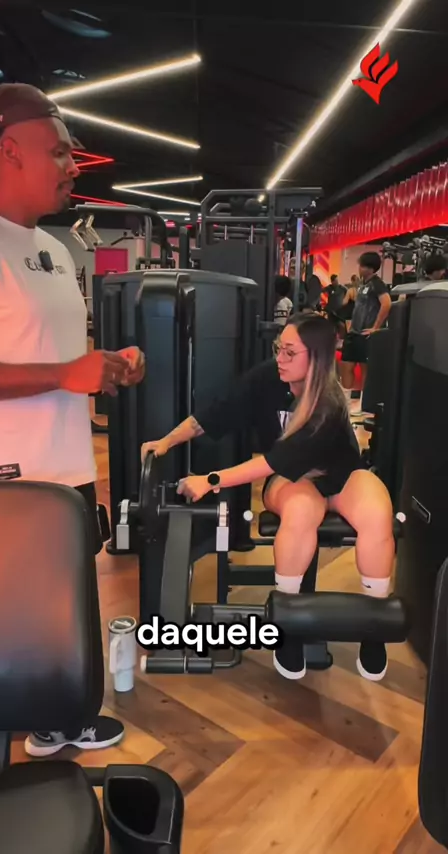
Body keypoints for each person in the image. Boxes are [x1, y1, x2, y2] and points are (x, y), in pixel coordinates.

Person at [0, 82, 145, 757]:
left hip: (65, 466)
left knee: (59, 613)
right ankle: (2, 755)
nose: (73, 167)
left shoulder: (57, 248)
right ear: (8, 150)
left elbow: (58, 358)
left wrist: (108, 368)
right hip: (3, 481)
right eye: (60, 153)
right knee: (6, 627)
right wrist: (64, 374)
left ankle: (57, 722)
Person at [141, 313, 394, 682]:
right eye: (279, 348)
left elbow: (273, 460)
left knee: (378, 510)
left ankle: (376, 625)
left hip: (340, 476)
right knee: (301, 510)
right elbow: (212, 415)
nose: (280, 358)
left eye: (290, 352)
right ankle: (287, 624)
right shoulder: (266, 378)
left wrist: (210, 480)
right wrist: (166, 441)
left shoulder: (328, 401)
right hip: (291, 481)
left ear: (317, 358)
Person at [340, 252, 391, 413]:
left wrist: (376, 327)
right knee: (346, 366)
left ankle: (364, 404)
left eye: (362, 266)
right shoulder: (363, 285)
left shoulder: (377, 284)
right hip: (353, 333)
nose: (359, 268)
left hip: (366, 334)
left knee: (365, 371)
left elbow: (387, 303)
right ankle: (345, 403)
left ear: (370, 268)